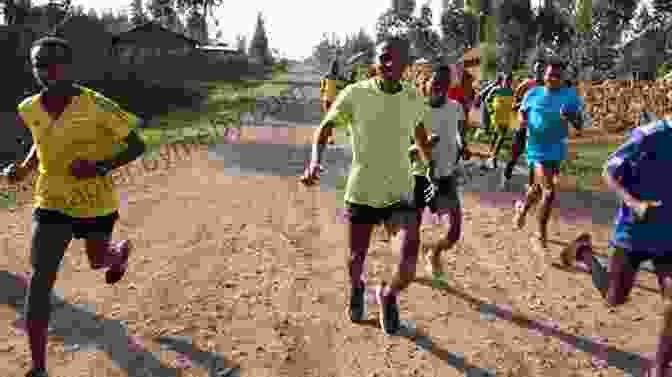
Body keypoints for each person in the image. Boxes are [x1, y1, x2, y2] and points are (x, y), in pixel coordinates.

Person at [1, 36, 146, 377]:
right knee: (40, 279)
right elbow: (40, 142)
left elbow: (137, 144)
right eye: (39, 64)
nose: (45, 71)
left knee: (98, 261)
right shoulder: (29, 107)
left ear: (67, 67)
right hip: (50, 201)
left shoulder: (97, 104)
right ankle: (38, 368)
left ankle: (117, 253)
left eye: (53, 63)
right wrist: (23, 169)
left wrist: (99, 167)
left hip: (95, 202)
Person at [302, 36, 433, 335]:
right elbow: (324, 128)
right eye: (384, 57)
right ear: (375, 60)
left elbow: (421, 138)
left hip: (399, 193)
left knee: (409, 257)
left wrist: (432, 172)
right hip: (361, 192)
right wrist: (314, 162)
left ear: (406, 64)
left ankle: (387, 295)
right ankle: (358, 287)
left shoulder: (413, 97)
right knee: (354, 260)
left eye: (396, 58)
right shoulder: (355, 93)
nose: (389, 63)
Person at [560, 119, 672, 377]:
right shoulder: (648, 136)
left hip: (668, 238)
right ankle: (584, 252)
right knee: (615, 297)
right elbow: (609, 172)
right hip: (634, 232)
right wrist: (634, 204)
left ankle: (658, 368)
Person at [512, 60, 584, 250]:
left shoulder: (570, 97)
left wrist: (571, 117)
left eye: (558, 76)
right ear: (544, 75)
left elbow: (579, 125)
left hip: (556, 148)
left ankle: (523, 209)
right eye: (550, 74)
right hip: (536, 147)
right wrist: (523, 121)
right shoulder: (533, 93)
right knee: (549, 191)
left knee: (537, 188)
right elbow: (522, 113)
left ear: (563, 78)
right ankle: (540, 234)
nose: (553, 78)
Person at [408, 64, 466, 278]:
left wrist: (462, 144)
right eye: (436, 81)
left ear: (449, 85)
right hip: (419, 176)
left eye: (444, 82)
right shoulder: (415, 110)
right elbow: (403, 150)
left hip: (446, 176)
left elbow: (459, 133)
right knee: (411, 228)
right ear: (427, 82)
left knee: (454, 231)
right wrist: (423, 147)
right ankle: (408, 265)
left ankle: (434, 253)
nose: (439, 86)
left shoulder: (456, 107)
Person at [500, 60, 546, 190]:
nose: (539, 72)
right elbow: (513, 105)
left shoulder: (547, 86)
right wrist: (525, 105)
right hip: (523, 124)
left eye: (542, 70)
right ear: (533, 70)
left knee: (534, 156)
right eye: (537, 69)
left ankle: (531, 185)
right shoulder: (526, 84)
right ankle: (505, 177)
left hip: (538, 127)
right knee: (515, 153)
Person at [484, 72, 514, 170]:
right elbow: (487, 99)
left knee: (497, 135)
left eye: (510, 81)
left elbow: (514, 103)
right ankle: (493, 158)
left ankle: (491, 153)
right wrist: (491, 110)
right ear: (503, 80)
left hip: (506, 117)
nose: (508, 82)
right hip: (496, 116)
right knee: (502, 136)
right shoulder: (496, 89)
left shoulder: (512, 91)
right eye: (506, 80)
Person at [319, 60, 344, 145]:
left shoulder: (326, 76)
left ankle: (329, 137)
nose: (336, 69)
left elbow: (322, 88)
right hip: (333, 101)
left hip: (328, 100)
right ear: (337, 68)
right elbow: (342, 86)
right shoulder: (338, 77)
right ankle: (329, 137)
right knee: (330, 120)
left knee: (329, 120)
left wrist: (323, 96)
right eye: (337, 68)